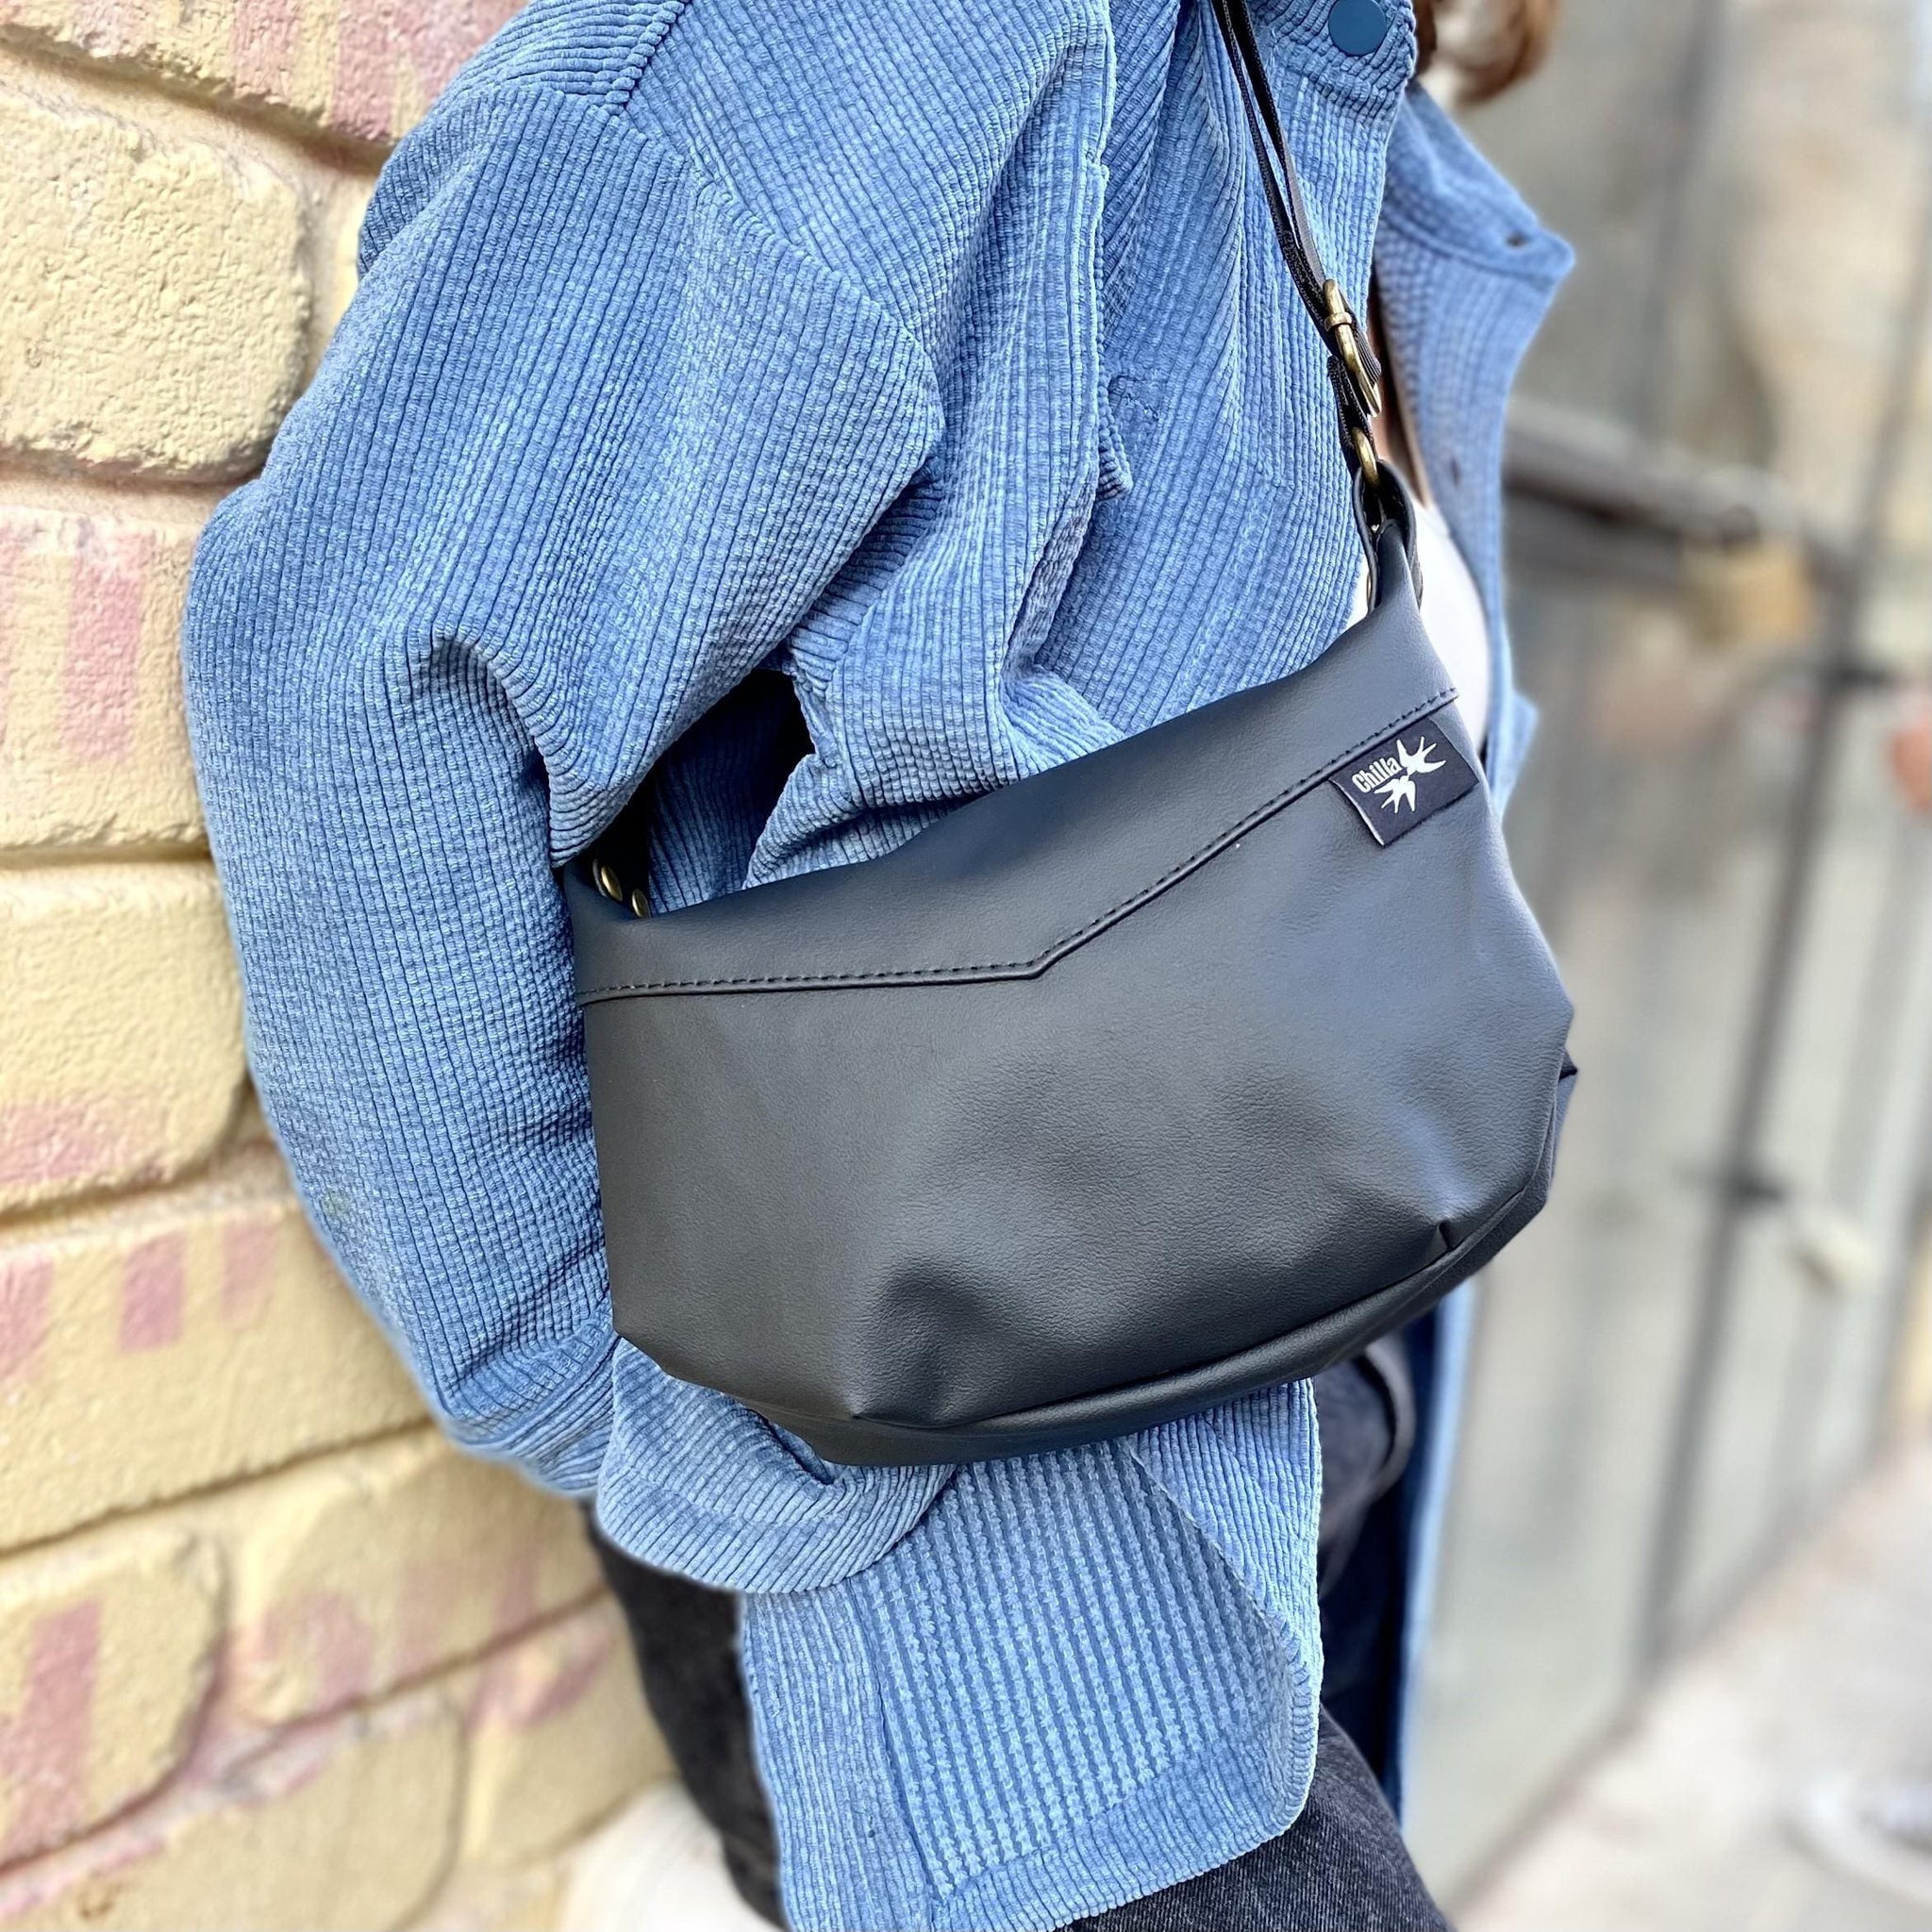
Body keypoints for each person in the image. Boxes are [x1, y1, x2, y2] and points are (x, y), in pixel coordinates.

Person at [180, 0, 1567, 1925]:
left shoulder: (1340, 112)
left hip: (1318, 1351)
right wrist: (631, 1379)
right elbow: (361, 673)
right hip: (987, 1546)